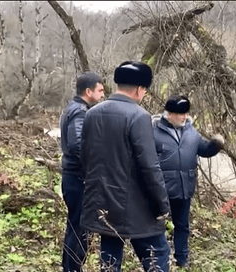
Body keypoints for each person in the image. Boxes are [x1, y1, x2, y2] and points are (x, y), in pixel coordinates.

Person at [80, 61, 171, 272]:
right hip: (137, 207)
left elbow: (85, 159)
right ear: (140, 89)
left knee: (110, 261)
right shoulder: (139, 117)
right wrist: (162, 205)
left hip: (103, 203)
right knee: (157, 256)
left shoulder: (92, 114)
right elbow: (149, 167)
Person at [152, 95, 224, 268]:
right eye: (180, 114)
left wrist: (215, 145)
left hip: (185, 187)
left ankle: (182, 258)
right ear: (169, 114)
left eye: (185, 113)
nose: (184, 116)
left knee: (182, 225)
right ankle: (157, 258)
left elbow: (203, 150)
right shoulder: (154, 132)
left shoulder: (191, 132)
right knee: (156, 226)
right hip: (161, 189)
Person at [60, 72, 105, 272]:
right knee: (80, 227)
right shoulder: (80, 112)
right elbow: (77, 145)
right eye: (100, 90)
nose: (103, 94)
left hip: (73, 177)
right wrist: (94, 167)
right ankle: (73, 268)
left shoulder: (74, 108)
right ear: (88, 91)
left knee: (75, 225)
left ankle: (70, 266)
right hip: (78, 178)